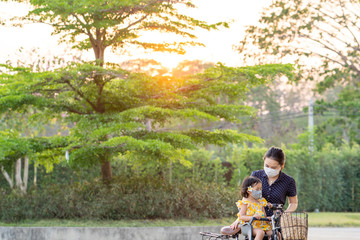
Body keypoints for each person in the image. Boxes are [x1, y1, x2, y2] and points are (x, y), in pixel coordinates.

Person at [251, 146, 298, 217]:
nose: (269, 169)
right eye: (266, 165)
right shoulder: (256, 175)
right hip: (255, 218)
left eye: (273, 167)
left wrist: (284, 215)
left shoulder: (288, 181)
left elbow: (293, 203)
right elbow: (246, 197)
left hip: (275, 221)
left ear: (282, 165)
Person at [230, 176, 272, 240]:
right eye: (257, 189)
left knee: (273, 233)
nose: (260, 191)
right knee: (260, 233)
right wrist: (252, 217)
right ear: (248, 190)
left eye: (260, 189)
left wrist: (266, 218)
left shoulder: (261, 202)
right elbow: (241, 216)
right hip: (249, 226)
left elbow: (264, 215)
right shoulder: (245, 203)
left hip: (261, 225)